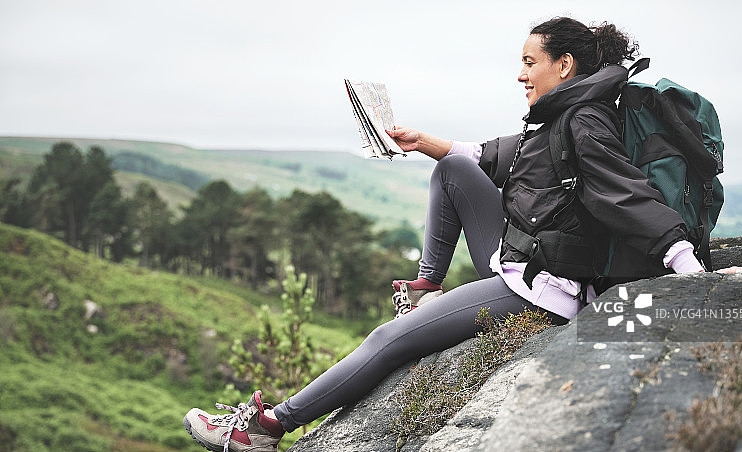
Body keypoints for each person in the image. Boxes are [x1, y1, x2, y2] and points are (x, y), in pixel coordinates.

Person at [182, 17, 706, 452]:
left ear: (563, 66)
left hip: (544, 291)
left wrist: (692, 270)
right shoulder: (557, 117)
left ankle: (264, 428)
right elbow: (493, 157)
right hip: (522, 258)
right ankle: (423, 290)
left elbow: (628, 197)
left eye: (529, 63)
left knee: (389, 341)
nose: (521, 76)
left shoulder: (583, 121)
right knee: (451, 170)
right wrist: (422, 141)